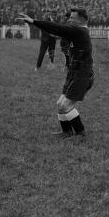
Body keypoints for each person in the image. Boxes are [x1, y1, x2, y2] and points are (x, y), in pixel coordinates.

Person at [18, 7, 94, 138]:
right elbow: (56, 29)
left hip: (82, 74)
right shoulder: (77, 31)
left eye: (72, 18)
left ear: (82, 20)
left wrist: (34, 21)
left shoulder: (80, 31)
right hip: (74, 72)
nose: (69, 19)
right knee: (60, 104)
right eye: (69, 17)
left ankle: (80, 134)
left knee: (65, 105)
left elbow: (57, 28)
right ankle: (66, 132)